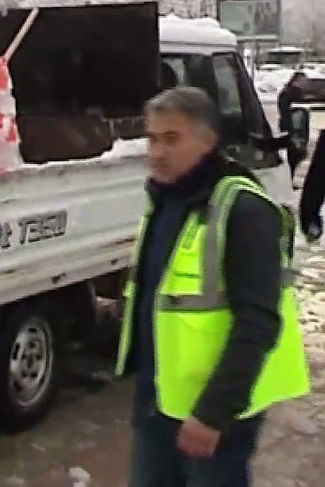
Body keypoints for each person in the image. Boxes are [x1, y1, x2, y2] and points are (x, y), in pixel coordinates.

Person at [118, 86, 310, 487]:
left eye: (172, 139)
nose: (157, 151)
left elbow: (257, 324)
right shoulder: (165, 200)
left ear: (207, 141)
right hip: (159, 403)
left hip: (215, 416)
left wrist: (213, 414)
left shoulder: (244, 210)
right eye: (151, 138)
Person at [277, 71, 308, 175]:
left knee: (294, 153)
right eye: (303, 80)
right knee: (294, 153)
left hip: (291, 126)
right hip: (294, 127)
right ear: (297, 80)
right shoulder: (292, 93)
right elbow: (288, 111)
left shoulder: (290, 91)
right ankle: (290, 175)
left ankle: (291, 174)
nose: (305, 83)